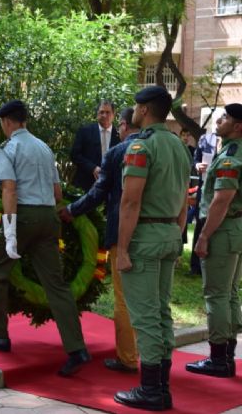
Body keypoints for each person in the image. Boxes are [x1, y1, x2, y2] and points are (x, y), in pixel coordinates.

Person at [0, 100, 91, 377]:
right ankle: (76, 348)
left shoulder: (7, 149)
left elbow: (10, 191)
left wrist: (10, 231)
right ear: (24, 120)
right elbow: (58, 193)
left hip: (22, 216)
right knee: (56, 285)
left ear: (6, 122)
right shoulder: (44, 148)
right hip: (48, 218)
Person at [113, 87, 191, 411]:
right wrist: (178, 232)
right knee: (161, 313)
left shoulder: (140, 146)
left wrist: (123, 249)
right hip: (170, 233)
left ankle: (151, 391)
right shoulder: (179, 145)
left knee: (144, 317)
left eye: (136, 105)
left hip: (144, 237)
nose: (133, 109)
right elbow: (185, 199)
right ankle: (162, 387)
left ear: (144, 110)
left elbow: (130, 202)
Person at [59, 107, 140, 374]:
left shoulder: (119, 152)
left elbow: (99, 194)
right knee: (154, 299)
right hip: (160, 235)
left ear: (125, 125)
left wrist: (71, 210)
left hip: (124, 233)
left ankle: (128, 358)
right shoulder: (172, 147)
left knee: (124, 298)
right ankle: (157, 362)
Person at [185, 103, 242, 379]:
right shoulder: (232, 152)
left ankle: (219, 358)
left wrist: (204, 236)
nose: (220, 120)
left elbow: (221, 201)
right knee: (229, 293)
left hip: (223, 228)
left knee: (217, 294)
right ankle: (227, 355)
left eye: (226, 117)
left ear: (238, 126)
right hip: (235, 228)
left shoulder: (231, 156)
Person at [189, 129, 221, 276]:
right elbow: (195, 159)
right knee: (200, 223)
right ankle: (195, 267)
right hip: (204, 187)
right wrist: (197, 166)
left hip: (222, 189)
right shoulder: (205, 139)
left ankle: (214, 264)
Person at [70, 100, 121, 192]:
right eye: (101, 112)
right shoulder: (85, 131)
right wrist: (93, 168)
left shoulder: (119, 135)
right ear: (97, 114)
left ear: (113, 114)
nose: (104, 115)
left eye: (108, 112)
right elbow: (75, 155)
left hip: (110, 186)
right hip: (85, 184)